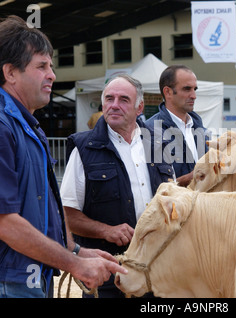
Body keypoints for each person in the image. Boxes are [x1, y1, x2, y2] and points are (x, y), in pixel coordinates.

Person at [0, 16, 126, 298]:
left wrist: (76, 250)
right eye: (42, 66)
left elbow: (40, 208)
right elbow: (3, 222)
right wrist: (74, 264)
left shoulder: (24, 126)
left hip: (19, 280)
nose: (52, 75)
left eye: (51, 66)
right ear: (10, 72)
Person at [60, 73, 174, 298]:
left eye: (123, 99)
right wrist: (106, 230)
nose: (114, 105)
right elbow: (67, 214)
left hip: (157, 272)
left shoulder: (158, 144)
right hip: (108, 275)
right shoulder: (84, 149)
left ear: (139, 107)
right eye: (109, 99)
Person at [145, 65, 209, 187]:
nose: (194, 95)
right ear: (168, 92)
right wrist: (190, 178)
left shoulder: (197, 127)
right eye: (187, 89)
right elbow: (151, 188)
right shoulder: (150, 132)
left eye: (195, 89)